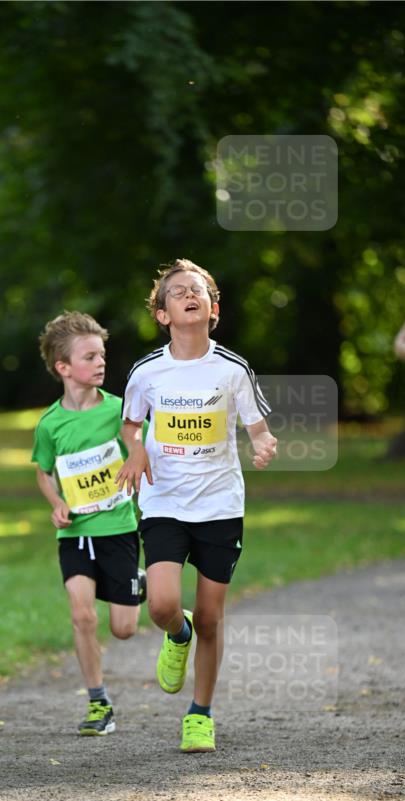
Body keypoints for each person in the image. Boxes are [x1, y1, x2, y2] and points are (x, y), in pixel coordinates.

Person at [116, 259, 277, 753]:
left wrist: (264, 444)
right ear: (162, 314)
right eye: (178, 292)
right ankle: (176, 634)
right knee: (162, 605)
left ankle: (200, 714)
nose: (189, 295)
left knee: (212, 616)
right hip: (164, 498)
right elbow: (130, 425)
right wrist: (136, 448)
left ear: (213, 309)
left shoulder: (232, 369)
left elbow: (257, 425)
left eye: (198, 291)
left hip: (220, 505)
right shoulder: (147, 371)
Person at [32, 311, 146, 736]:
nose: (101, 363)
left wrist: (137, 459)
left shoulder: (121, 412)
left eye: (102, 355)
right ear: (63, 367)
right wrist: (57, 502)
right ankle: (99, 703)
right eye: (90, 356)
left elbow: (142, 452)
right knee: (82, 616)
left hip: (118, 530)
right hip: (75, 534)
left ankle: (142, 583)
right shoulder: (50, 424)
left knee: (124, 629)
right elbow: (43, 470)